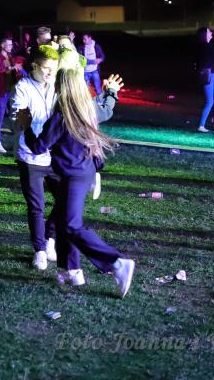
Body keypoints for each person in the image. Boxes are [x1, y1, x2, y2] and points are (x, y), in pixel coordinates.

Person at [17, 52, 135, 298]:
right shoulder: (87, 108)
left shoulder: (62, 115)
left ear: (61, 88)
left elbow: (38, 147)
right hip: (83, 171)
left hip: (72, 175)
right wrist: (111, 92)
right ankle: (70, 269)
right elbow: (106, 110)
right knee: (63, 221)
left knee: (71, 225)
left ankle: (117, 263)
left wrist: (26, 126)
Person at [12, 45, 60, 270]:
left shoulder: (57, 86)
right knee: (36, 206)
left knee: (66, 198)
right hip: (30, 155)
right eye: (46, 68)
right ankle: (40, 250)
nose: (50, 73)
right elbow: (20, 118)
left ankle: (50, 239)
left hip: (54, 154)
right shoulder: (23, 87)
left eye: (54, 69)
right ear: (34, 66)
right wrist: (29, 124)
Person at [0, 37, 19, 154]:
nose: (11, 46)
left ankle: (17, 142)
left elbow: (13, 71)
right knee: (0, 118)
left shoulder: (10, 57)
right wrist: (10, 67)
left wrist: (17, 68)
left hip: (11, 91)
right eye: (9, 45)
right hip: (1, 92)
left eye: (11, 44)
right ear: (3, 46)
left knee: (14, 117)